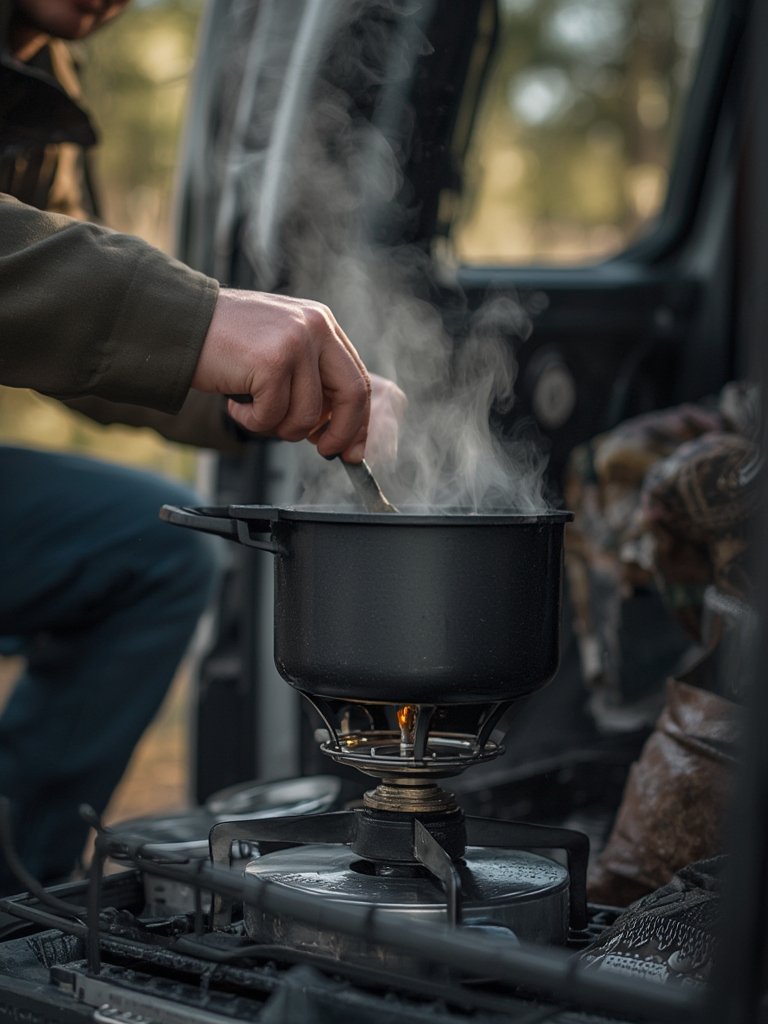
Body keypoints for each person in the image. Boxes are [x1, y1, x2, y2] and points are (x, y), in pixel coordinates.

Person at [0, 0, 405, 893]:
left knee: (147, 554)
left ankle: (15, 885)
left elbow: (59, 331)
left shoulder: (38, 82)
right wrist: (197, 318)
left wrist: (246, 390)